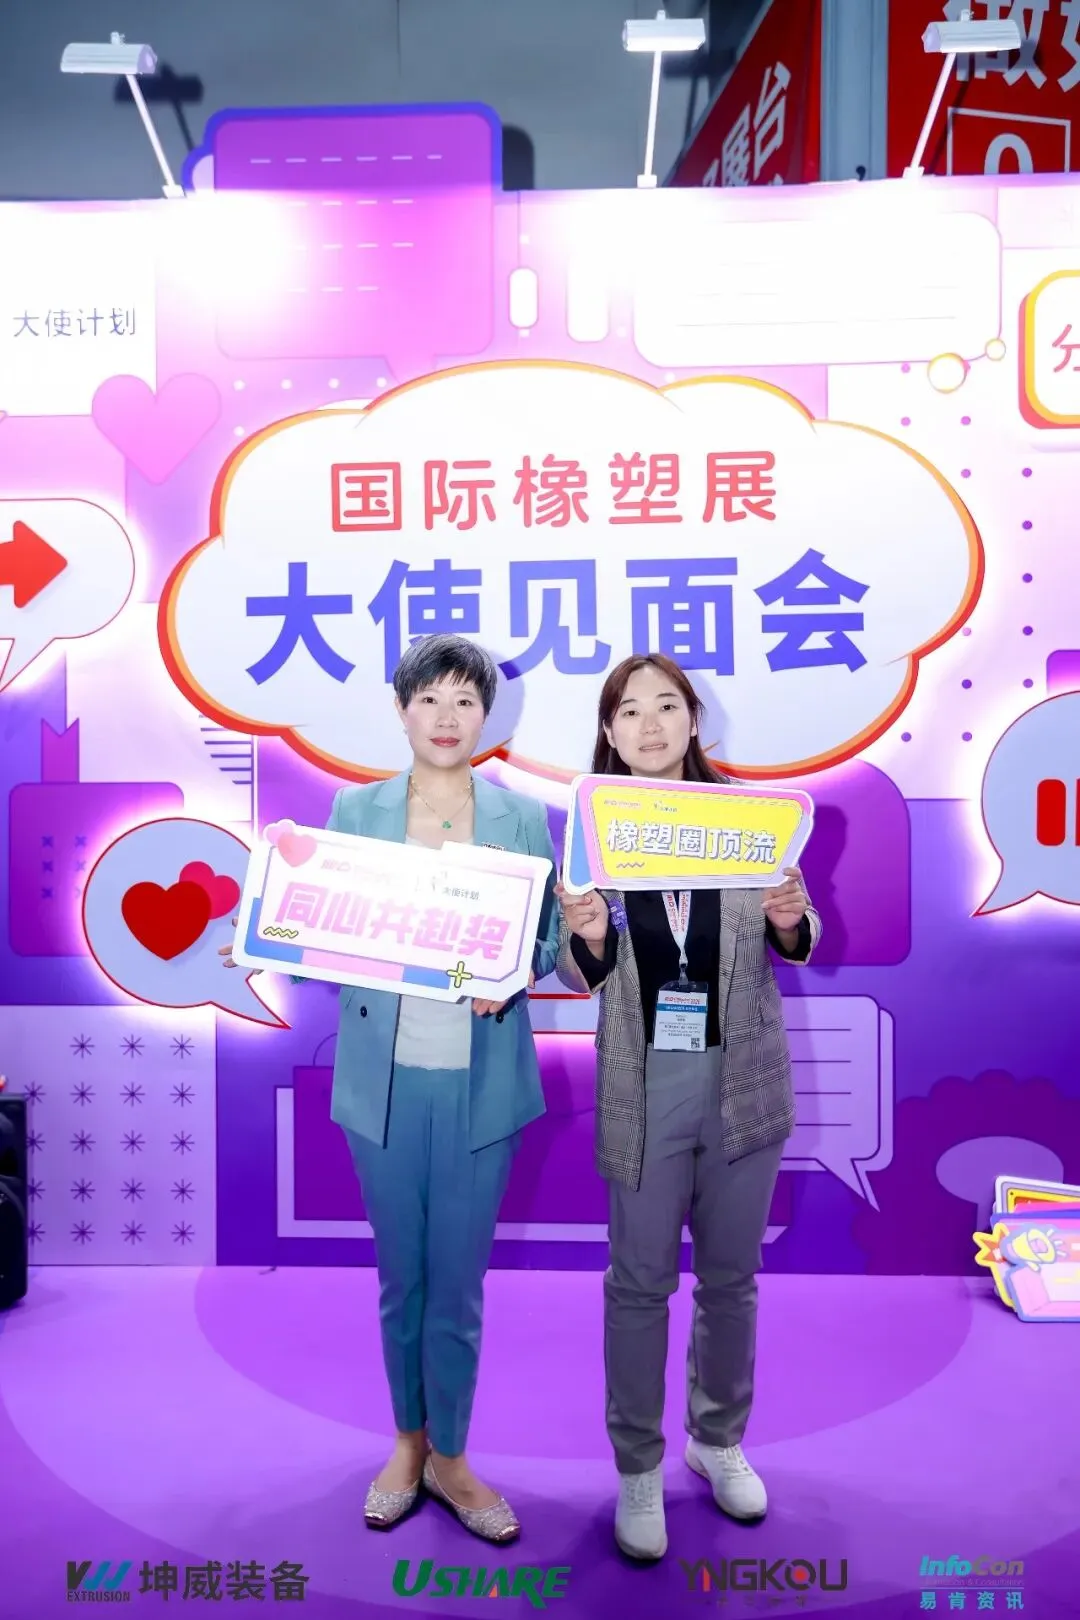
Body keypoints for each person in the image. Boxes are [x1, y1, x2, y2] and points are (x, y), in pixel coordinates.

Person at [228, 635, 558, 1544]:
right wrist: (262, 936)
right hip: (382, 1085)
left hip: (483, 1087)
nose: (447, 718)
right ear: (401, 710)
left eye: (465, 701)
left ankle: (452, 1456)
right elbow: (327, 926)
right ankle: (407, 1445)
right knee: (400, 1278)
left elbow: (547, 944)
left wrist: (516, 973)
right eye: (429, 700)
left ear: (486, 715)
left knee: (458, 1284)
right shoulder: (355, 809)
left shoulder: (522, 818)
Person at [555, 653, 820, 1562]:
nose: (651, 724)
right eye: (631, 711)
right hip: (644, 1082)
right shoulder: (595, 832)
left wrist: (788, 915)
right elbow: (575, 967)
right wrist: (589, 934)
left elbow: (798, 933)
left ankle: (718, 1440)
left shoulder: (748, 821)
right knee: (638, 1284)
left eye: (668, 706)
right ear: (610, 731)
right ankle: (638, 1466)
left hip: (743, 1076)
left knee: (732, 1278)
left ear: (693, 720)